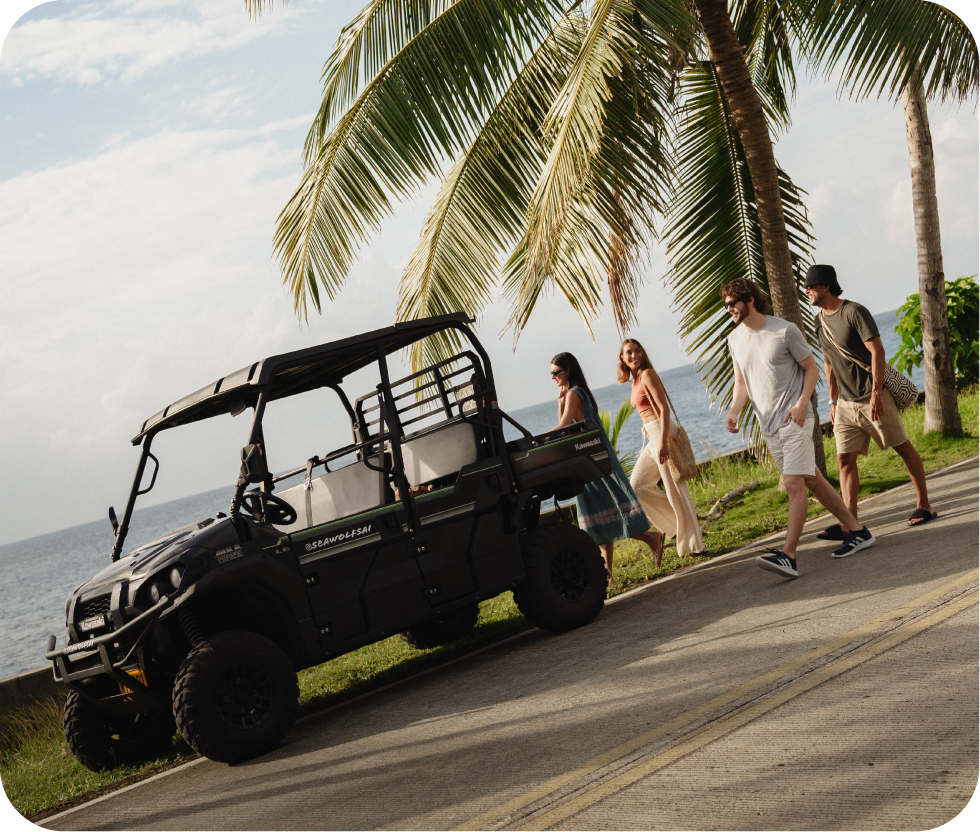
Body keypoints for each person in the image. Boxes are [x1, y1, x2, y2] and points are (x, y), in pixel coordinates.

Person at [722, 278, 874, 578]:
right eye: (726, 305)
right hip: (769, 425)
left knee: (794, 484)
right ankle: (858, 531)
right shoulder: (735, 340)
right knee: (813, 480)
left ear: (749, 300)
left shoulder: (784, 330)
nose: (729, 309)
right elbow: (742, 382)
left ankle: (788, 556)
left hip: (795, 419)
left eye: (732, 303)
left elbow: (811, 368)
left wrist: (803, 403)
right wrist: (734, 411)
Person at [804, 264, 936, 535]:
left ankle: (925, 504)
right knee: (844, 459)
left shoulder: (854, 312)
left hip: (872, 396)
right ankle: (849, 521)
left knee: (902, 446)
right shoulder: (819, 321)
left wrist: (877, 393)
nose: (807, 291)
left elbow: (877, 351)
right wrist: (832, 401)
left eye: (811, 286)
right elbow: (829, 360)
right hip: (845, 404)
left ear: (826, 286)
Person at [550, 352, 665, 581]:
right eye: (551, 373)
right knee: (598, 516)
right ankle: (608, 574)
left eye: (556, 372)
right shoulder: (578, 393)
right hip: (595, 458)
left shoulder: (574, 393)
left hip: (589, 462)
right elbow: (569, 424)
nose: (553, 377)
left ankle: (652, 539)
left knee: (603, 513)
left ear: (568, 371)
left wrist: (537, 439)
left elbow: (563, 427)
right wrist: (559, 402)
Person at [618, 338, 706, 558]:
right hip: (652, 434)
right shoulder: (636, 380)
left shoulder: (647, 374)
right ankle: (677, 528)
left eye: (637, 350)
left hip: (661, 431)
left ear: (642, 352)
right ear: (622, 358)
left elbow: (663, 408)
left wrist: (663, 442)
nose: (634, 355)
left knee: (676, 490)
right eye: (628, 352)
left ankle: (696, 546)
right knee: (638, 485)